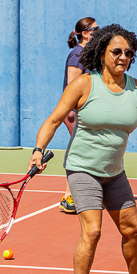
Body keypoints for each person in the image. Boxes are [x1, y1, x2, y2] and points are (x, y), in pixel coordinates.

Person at [28, 24, 137, 274]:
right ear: (102, 52)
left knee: (133, 229)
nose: (123, 57)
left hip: (114, 172)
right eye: (116, 51)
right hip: (82, 168)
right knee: (92, 231)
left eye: (128, 53)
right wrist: (38, 150)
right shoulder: (84, 84)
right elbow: (53, 120)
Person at [58, 18, 98, 214]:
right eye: (94, 29)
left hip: (86, 111)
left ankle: (78, 193)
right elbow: (72, 87)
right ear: (84, 33)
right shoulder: (77, 55)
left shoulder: (89, 54)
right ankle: (69, 196)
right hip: (75, 112)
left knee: (86, 152)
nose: (98, 31)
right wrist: (76, 110)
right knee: (79, 153)